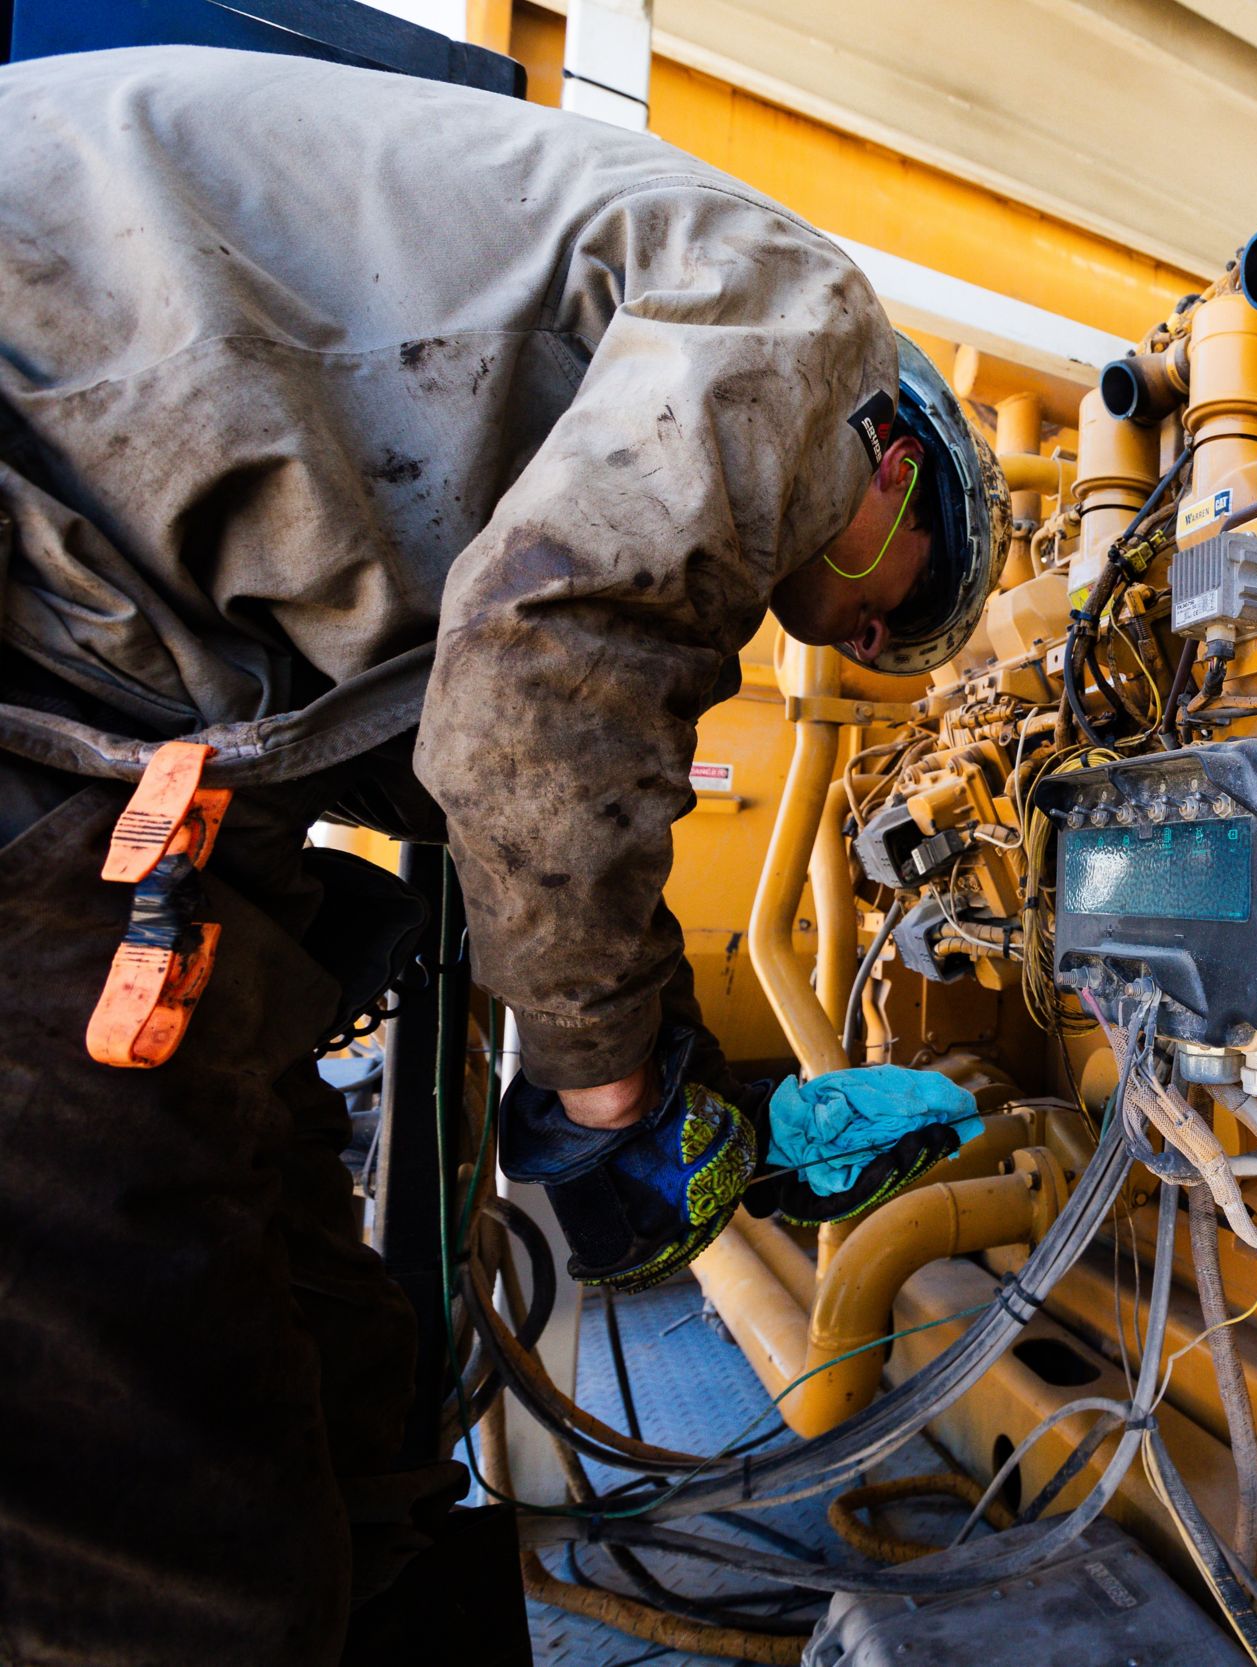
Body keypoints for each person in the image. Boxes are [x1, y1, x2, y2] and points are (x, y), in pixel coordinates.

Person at [0, 43, 1006, 1667]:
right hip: (43, 603)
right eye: (890, 608)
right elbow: (541, 688)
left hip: (89, 680)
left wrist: (677, 1078)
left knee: (345, 1388)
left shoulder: (663, 367)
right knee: (159, 1474)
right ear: (902, 470)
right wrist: (612, 1089)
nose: (863, 636)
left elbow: (475, 737)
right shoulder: (813, 333)